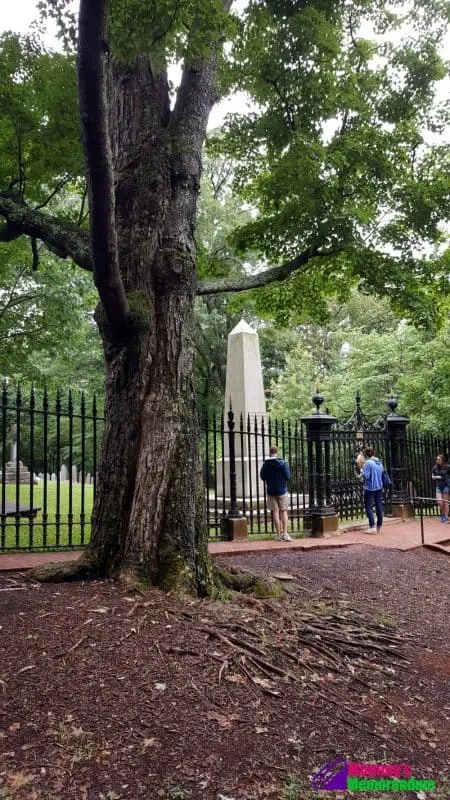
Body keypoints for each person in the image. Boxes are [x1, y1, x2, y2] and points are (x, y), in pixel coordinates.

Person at [260, 445, 292, 541]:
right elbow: (288, 476)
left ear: (270, 452)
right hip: (282, 490)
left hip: (271, 490)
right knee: (284, 511)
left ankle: (278, 535)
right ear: (277, 452)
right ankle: (285, 534)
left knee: (275, 512)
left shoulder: (265, 464)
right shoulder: (282, 463)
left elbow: (262, 476)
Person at [361, 446, 385, 534]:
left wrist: (361, 470)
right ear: (373, 453)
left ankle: (372, 527)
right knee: (379, 506)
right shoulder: (379, 462)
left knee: (369, 507)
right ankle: (379, 526)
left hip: (370, 488)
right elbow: (382, 472)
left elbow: (366, 476)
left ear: (365, 454)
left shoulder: (368, 463)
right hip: (379, 487)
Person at [431, 454, 449, 523]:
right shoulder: (435, 467)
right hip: (438, 486)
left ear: (442, 460)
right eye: (437, 459)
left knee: (445, 502)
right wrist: (438, 477)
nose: (437, 460)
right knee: (439, 502)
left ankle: (446, 518)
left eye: (439, 459)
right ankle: (443, 514)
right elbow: (432, 476)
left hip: (446, 486)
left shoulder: (447, 467)